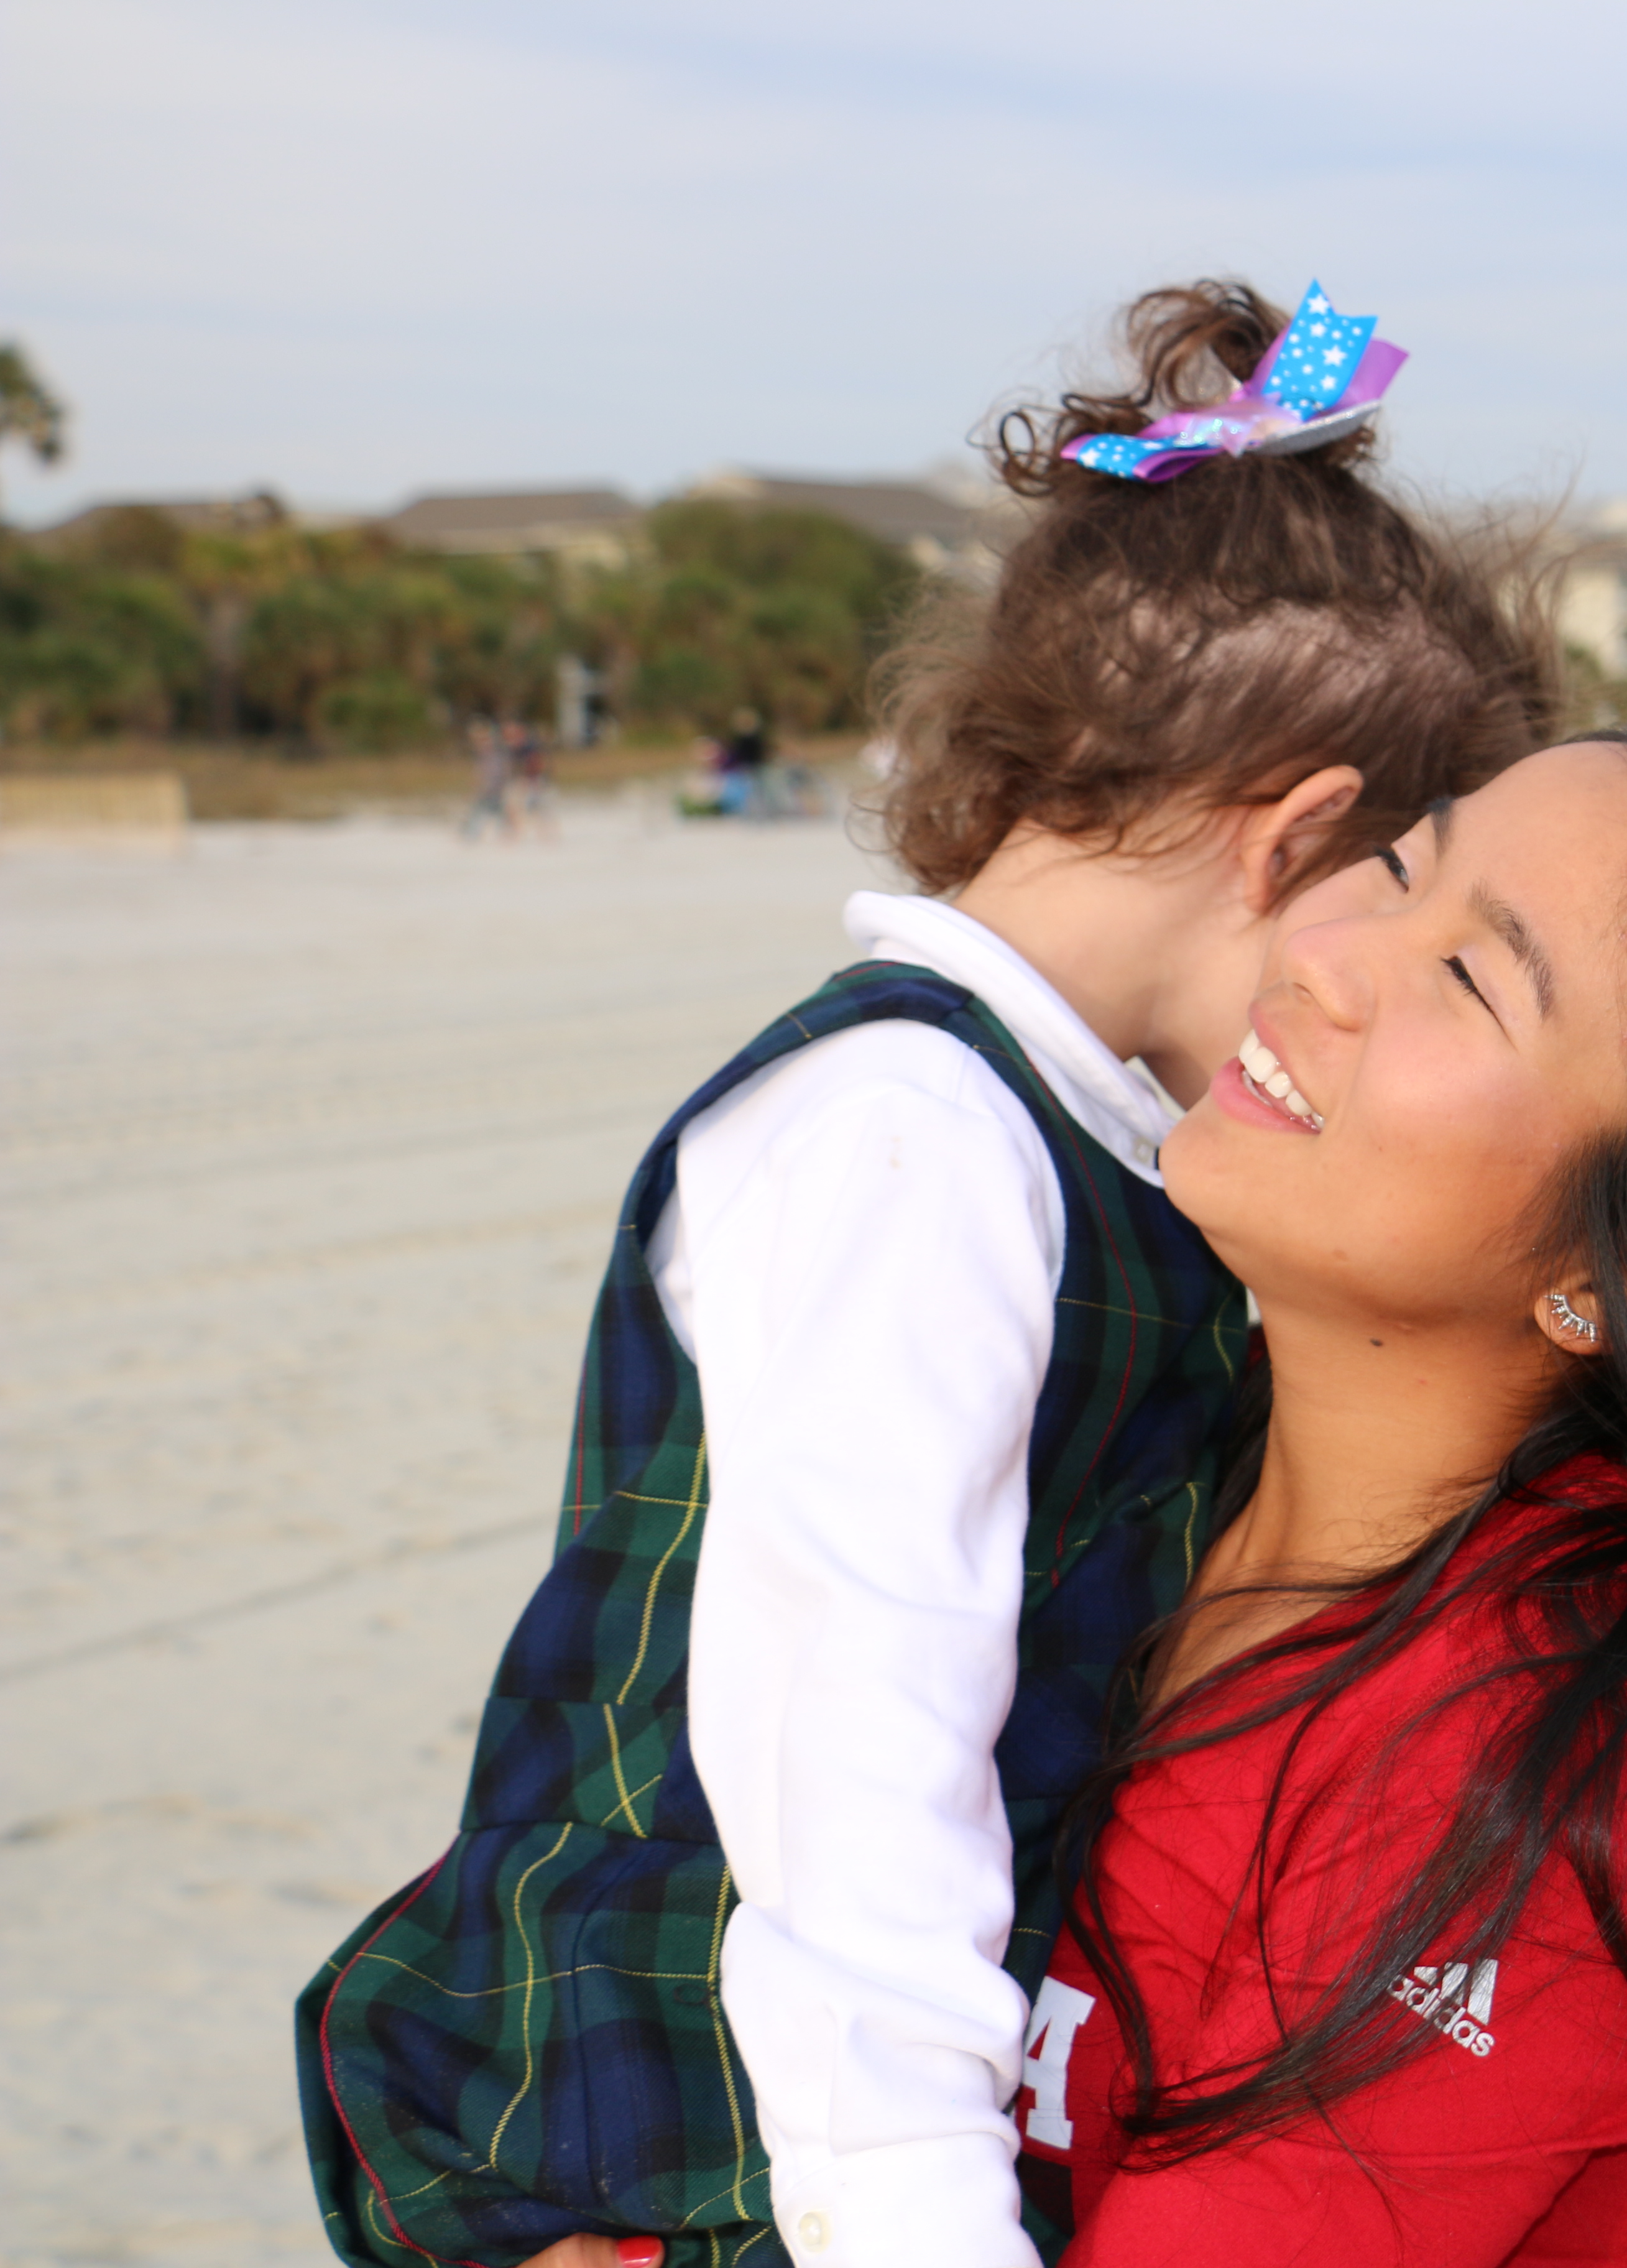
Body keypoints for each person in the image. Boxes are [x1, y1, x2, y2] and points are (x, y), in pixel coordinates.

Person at [525, 706, 1627, 2268]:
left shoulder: (1584, 1815)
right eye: (1400, 864)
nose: (1321, 952)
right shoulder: (1111, 1453)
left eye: (1470, 977)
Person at [296, 277, 1562, 2268]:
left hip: (818, 2098)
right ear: (1292, 841)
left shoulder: (1040, 1127)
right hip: (707, 2120)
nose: (1351, 998)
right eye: (1386, 905)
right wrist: (916, 2222)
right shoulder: (917, 1132)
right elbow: (859, 1728)